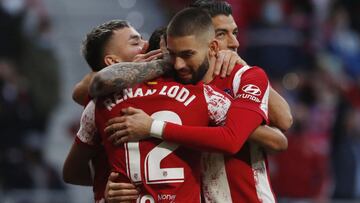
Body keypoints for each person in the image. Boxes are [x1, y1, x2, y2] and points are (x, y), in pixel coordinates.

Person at [91, 1, 292, 202]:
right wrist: (108, 190)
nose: (234, 43)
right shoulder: (176, 79)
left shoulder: (242, 76)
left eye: (235, 32)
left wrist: (154, 126)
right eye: (222, 33)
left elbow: (280, 132)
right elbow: (93, 86)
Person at [63, 19, 158, 202]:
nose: (146, 45)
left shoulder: (168, 87)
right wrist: (104, 184)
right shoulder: (100, 104)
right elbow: (71, 172)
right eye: (135, 42)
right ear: (113, 61)